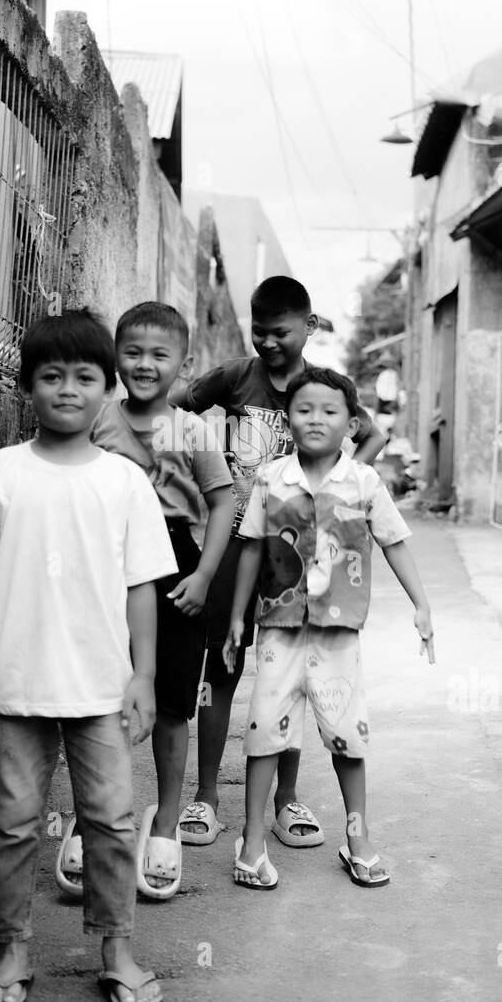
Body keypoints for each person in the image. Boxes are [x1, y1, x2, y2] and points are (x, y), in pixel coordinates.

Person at [0, 309, 178, 1002]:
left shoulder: (125, 482)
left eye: (83, 377)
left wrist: (143, 676)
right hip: (15, 683)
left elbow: (142, 586)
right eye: (51, 376)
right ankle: (12, 948)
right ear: (27, 387)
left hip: (101, 688)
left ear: (107, 388)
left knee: (109, 818)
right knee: (11, 821)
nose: (67, 389)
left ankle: (117, 948)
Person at [169, 276, 386, 848]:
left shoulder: (319, 388)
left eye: (280, 332)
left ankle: (286, 802)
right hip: (233, 545)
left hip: (295, 560)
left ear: (309, 327)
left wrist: (341, 488)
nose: (267, 342)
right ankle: (207, 796)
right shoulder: (236, 377)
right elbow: (175, 404)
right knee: (219, 669)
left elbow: (374, 435)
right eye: (258, 330)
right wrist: (187, 466)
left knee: (290, 677)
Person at [223, 366, 434, 890]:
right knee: (265, 729)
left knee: (347, 735)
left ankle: (357, 838)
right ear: (288, 418)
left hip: (338, 634)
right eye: (304, 409)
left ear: (352, 423)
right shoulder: (271, 478)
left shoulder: (363, 483)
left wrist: (422, 604)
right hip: (278, 628)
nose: (316, 419)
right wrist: (235, 618)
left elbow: (393, 542)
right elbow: (251, 546)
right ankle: (252, 843)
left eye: (330, 411)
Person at [89, 302, 234, 900]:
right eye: (132, 352)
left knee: (175, 699)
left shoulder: (193, 430)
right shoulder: (96, 419)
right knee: (100, 694)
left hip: (175, 565)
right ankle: (99, 819)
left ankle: (168, 825)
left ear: (184, 363)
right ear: (114, 357)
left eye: (160, 355)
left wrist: (202, 576)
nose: (144, 365)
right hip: (105, 564)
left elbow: (223, 502)